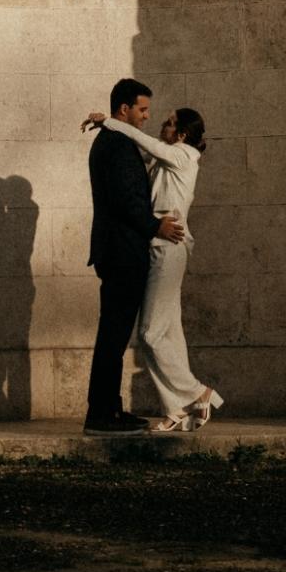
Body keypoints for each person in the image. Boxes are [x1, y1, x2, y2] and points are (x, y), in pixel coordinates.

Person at [84, 104, 223, 433]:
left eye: (171, 122)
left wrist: (110, 123)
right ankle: (176, 408)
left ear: (183, 134)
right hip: (158, 246)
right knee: (169, 332)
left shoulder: (184, 155)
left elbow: (143, 142)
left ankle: (198, 393)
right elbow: (135, 160)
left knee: (149, 333)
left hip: (169, 247)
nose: (163, 123)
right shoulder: (168, 158)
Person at [84, 77, 184, 435]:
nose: (146, 116)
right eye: (142, 110)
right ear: (123, 109)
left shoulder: (113, 141)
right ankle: (101, 414)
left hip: (117, 250)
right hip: (122, 252)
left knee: (114, 333)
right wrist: (157, 227)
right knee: (113, 335)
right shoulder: (116, 145)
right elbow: (127, 200)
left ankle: (109, 409)